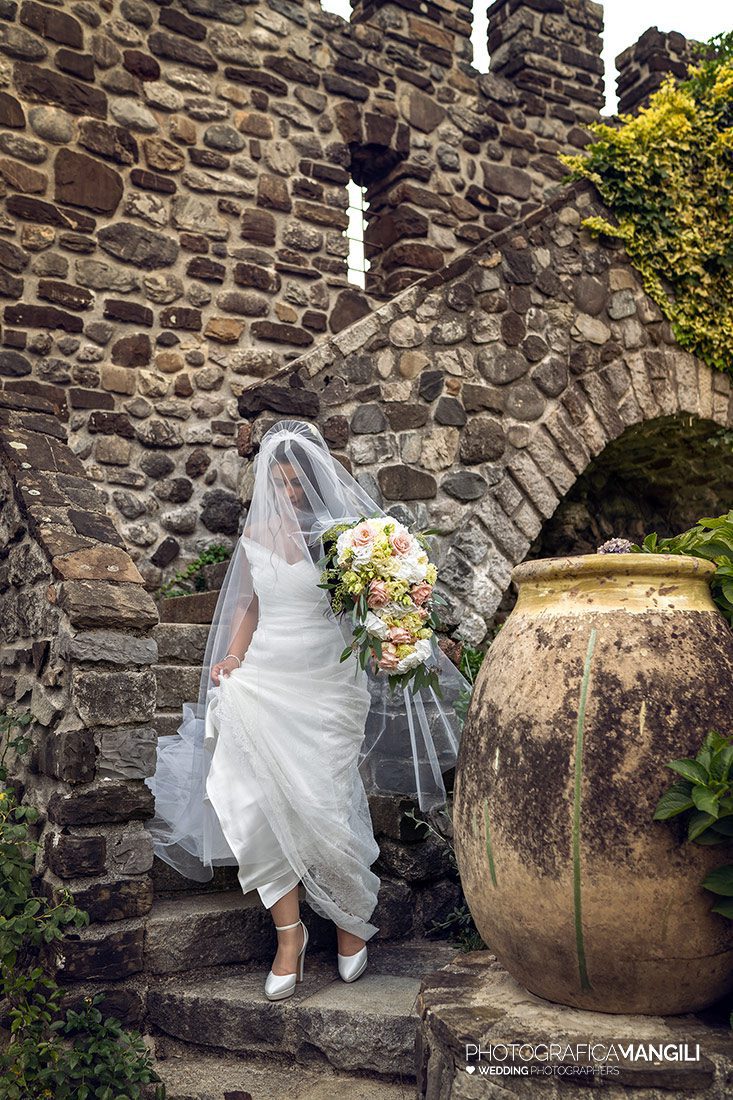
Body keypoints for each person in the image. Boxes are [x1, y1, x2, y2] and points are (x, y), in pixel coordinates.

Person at [144, 419, 469, 1001]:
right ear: (269, 481)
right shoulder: (257, 533)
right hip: (267, 677)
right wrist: (233, 657)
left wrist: (394, 630)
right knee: (261, 805)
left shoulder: (347, 536)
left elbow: (379, 601)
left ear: (314, 479)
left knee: (328, 806)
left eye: (299, 482)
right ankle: (288, 937)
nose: (291, 493)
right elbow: (249, 605)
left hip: (327, 683)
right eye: (282, 482)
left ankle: (349, 923)